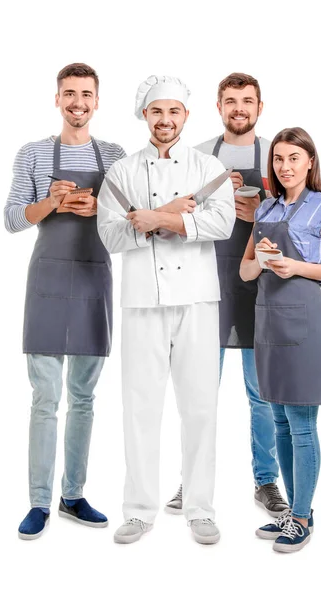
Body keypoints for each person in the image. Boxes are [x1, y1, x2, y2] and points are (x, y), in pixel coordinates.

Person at [97, 75, 235, 545]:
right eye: (157, 111)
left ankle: (200, 508)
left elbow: (222, 220)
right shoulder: (122, 174)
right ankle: (138, 510)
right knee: (140, 406)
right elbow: (110, 235)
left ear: (186, 116)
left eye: (173, 111)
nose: (165, 120)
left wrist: (160, 218)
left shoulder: (207, 166)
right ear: (144, 116)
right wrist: (158, 224)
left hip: (197, 297)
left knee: (200, 406)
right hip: (142, 300)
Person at [4, 63, 126, 540]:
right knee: (45, 397)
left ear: (97, 101)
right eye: (70, 94)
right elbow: (13, 218)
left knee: (83, 397)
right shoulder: (34, 154)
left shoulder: (114, 154)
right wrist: (51, 202)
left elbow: (129, 218)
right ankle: (38, 501)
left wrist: (102, 208)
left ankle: (73, 495)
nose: (78, 102)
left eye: (87, 95)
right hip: (47, 280)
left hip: (94, 277)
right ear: (57, 99)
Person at [165, 73, 287, 517]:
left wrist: (263, 213)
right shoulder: (196, 156)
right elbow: (175, 220)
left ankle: (266, 481)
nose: (239, 108)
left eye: (247, 101)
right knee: (199, 392)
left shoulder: (277, 157)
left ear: (260, 106)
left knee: (263, 393)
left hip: (263, 289)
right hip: (207, 286)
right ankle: (191, 480)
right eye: (231, 101)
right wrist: (212, 199)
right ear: (219, 107)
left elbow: (298, 224)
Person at [240, 127, 321, 552]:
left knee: (302, 426)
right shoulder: (264, 210)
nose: (285, 167)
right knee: (281, 425)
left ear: (310, 162)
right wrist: (266, 260)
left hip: (307, 324)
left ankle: (302, 518)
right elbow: (245, 272)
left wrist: (296, 266)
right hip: (269, 323)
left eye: (293, 158)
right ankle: (292, 513)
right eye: (278, 159)